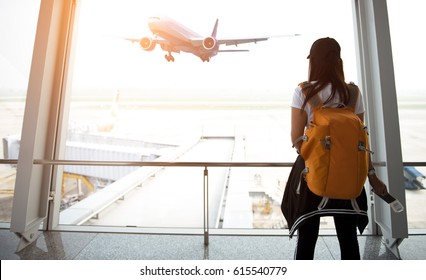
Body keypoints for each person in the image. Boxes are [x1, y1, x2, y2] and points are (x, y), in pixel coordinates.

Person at [287, 37, 389, 260]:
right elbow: (361, 141)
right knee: (347, 238)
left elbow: (296, 139)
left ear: (313, 61)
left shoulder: (303, 92)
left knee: (307, 237)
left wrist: (316, 156)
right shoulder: (353, 93)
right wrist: (371, 175)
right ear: (338, 61)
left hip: (312, 173)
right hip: (347, 170)